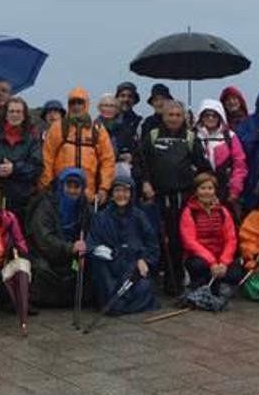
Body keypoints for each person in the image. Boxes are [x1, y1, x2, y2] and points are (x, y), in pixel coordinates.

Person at [135, 100, 211, 295]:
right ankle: (156, 281)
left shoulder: (190, 137)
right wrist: (145, 182)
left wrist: (199, 187)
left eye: (178, 115)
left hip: (183, 199)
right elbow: (140, 163)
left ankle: (176, 282)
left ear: (183, 116)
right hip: (158, 198)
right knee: (159, 240)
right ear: (163, 115)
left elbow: (203, 167)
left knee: (179, 241)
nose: (174, 118)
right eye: (171, 114)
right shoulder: (152, 136)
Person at [87, 176, 159, 314]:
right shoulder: (100, 217)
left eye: (126, 191)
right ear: (112, 194)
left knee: (143, 287)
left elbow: (151, 244)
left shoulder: (139, 216)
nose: (121, 195)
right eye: (117, 190)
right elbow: (92, 242)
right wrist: (101, 251)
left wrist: (144, 259)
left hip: (132, 266)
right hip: (110, 267)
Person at [26, 168, 92, 307]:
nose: (72, 191)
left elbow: (90, 231)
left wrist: (84, 248)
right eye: (69, 186)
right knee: (41, 269)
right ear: (61, 186)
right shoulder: (46, 205)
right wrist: (69, 248)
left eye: (77, 187)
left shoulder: (85, 207)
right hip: (44, 253)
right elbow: (43, 238)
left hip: (71, 256)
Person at [40, 86, 116, 203]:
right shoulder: (58, 128)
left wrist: (104, 188)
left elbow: (107, 160)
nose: (76, 107)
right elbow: (47, 157)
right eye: (73, 103)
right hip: (60, 192)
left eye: (79, 103)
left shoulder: (98, 130)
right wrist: (47, 184)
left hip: (88, 195)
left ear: (86, 104)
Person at [0, 97, 42, 222]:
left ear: (24, 116)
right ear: (5, 115)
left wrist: (15, 168)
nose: (15, 115)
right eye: (11, 111)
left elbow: (37, 167)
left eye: (18, 112)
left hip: (25, 201)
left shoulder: (32, 140)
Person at [180, 173, 242, 295]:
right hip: (200, 258)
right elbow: (189, 242)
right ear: (196, 191)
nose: (206, 192)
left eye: (210, 188)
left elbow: (231, 239)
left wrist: (224, 262)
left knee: (236, 272)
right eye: (202, 188)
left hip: (220, 257)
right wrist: (212, 262)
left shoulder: (222, 211)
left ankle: (218, 283)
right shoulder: (189, 212)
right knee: (198, 266)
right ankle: (200, 284)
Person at [195, 99, 248, 212]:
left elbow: (239, 164)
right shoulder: (193, 136)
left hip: (225, 192)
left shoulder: (230, 136)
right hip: (199, 192)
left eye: (214, 115)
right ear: (201, 116)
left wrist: (235, 189)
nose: (210, 118)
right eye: (207, 115)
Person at [114, 81, 143, 156]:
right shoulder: (106, 120)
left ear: (134, 100)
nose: (126, 100)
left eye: (130, 96)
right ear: (117, 98)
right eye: (122, 96)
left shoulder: (140, 122)